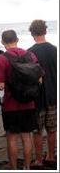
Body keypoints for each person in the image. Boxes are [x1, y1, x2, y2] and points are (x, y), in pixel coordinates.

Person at [0, 30, 37, 169]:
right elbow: (38, 77)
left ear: (2, 42)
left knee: (12, 138)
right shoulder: (30, 55)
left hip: (10, 104)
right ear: (17, 39)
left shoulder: (1, 59)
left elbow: (0, 85)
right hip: (29, 103)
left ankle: (13, 168)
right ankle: (27, 167)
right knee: (26, 137)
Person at [28, 20, 57, 168]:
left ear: (32, 33)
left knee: (37, 131)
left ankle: (39, 160)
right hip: (53, 95)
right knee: (52, 129)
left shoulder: (29, 52)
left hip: (37, 98)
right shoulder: (55, 50)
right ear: (45, 31)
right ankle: (51, 156)